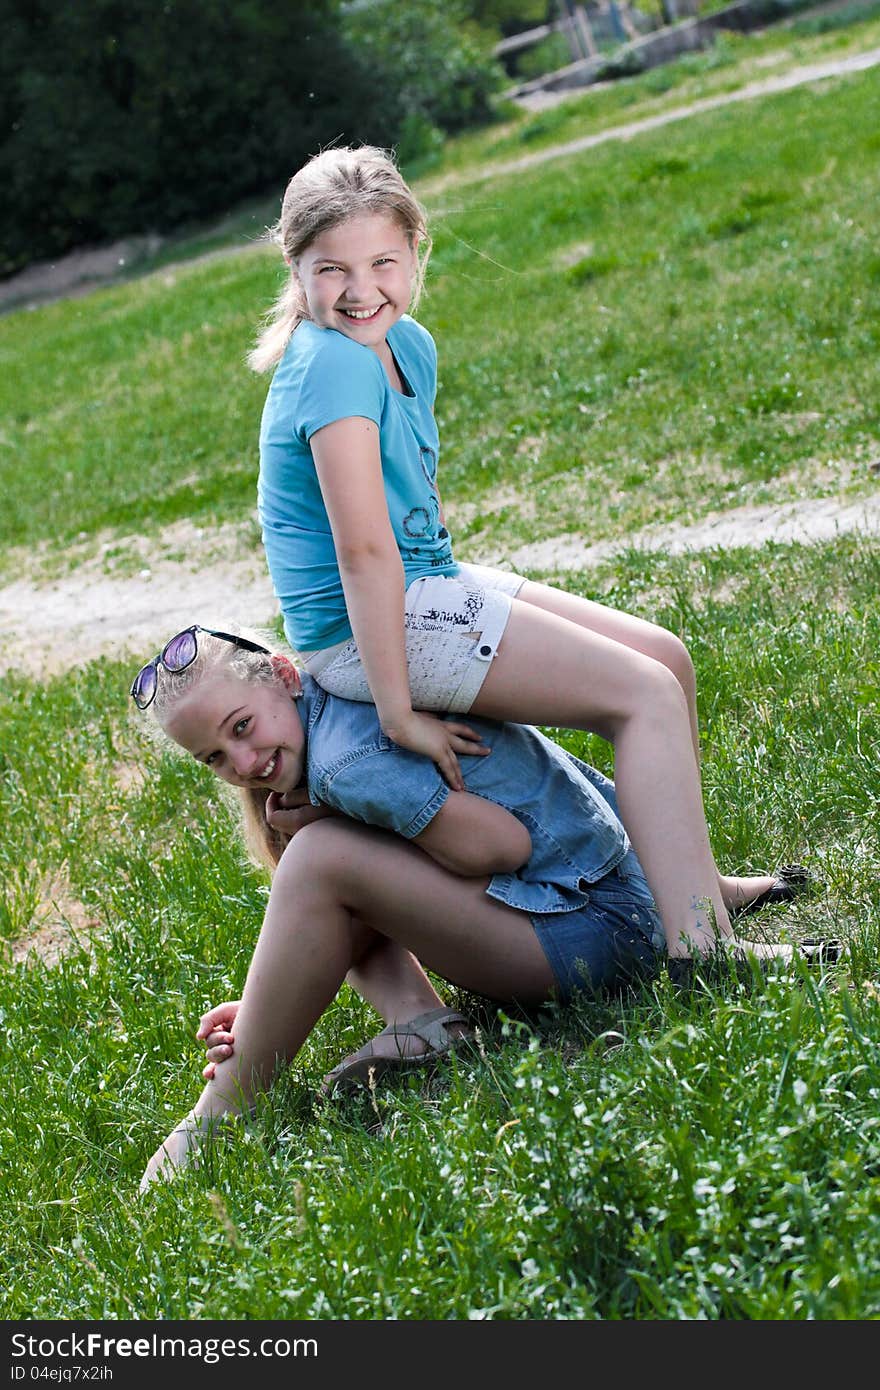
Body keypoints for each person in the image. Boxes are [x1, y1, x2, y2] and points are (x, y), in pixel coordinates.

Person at [249, 143, 802, 963]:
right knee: (641, 695)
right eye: (331, 270)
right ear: (295, 267)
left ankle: (693, 884)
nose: (361, 291)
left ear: (417, 250)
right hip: (363, 630)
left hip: (419, 584)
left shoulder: (408, 347)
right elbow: (363, 553)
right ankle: (698, 947)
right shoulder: (328, 365)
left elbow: (412, 517)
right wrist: (399, 714)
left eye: (382, 263)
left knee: (663, 657)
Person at [131, 625, 810, 1191]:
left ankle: (224, 1106)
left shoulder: (343, 763)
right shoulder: (352, 692)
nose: (244, 761)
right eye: (215, 757)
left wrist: (349, 814)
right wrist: (269, 1005)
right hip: (627, 894)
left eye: (242, 727)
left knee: (318, 859)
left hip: (593, 929)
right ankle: (421, 1023)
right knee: (326, 850)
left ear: (282, 673)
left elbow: (503, 845)